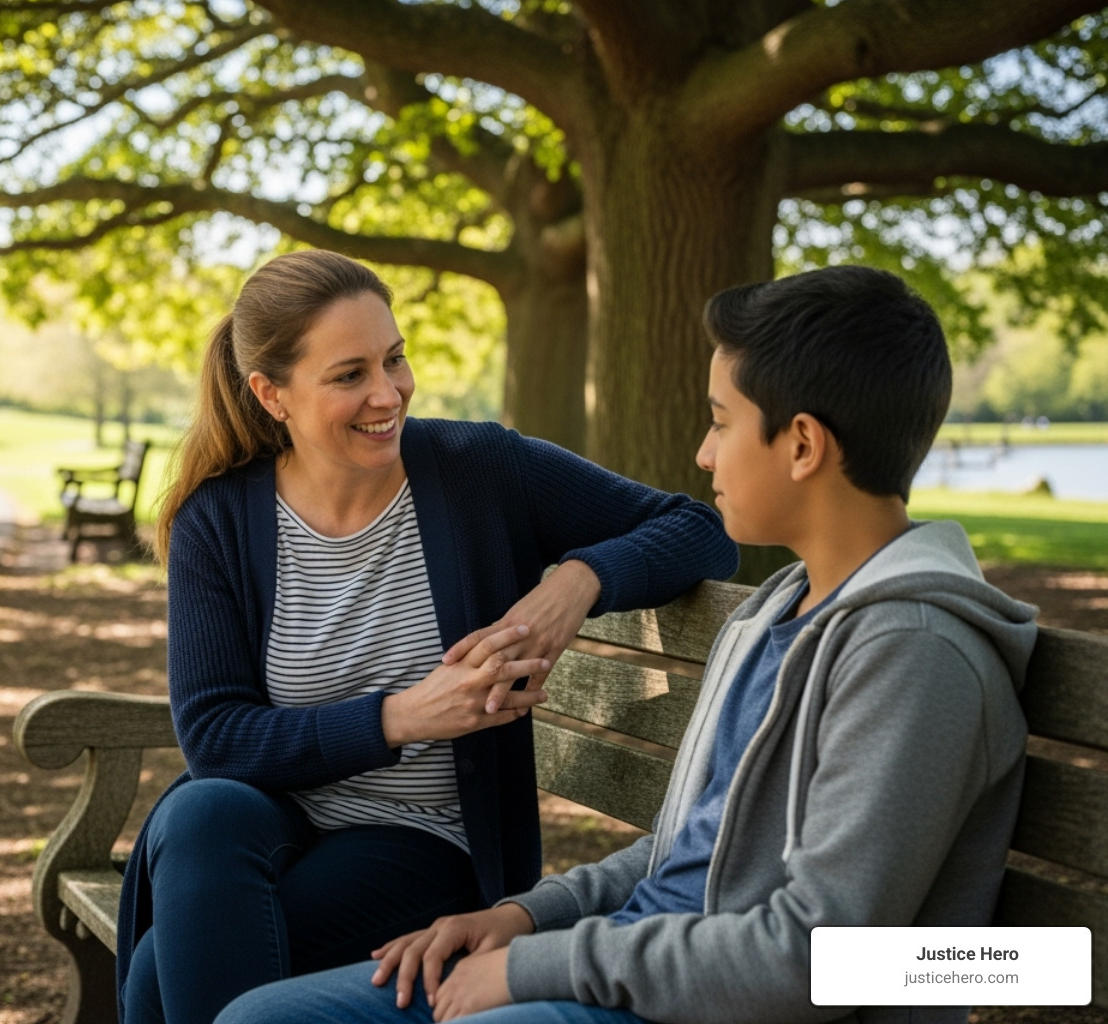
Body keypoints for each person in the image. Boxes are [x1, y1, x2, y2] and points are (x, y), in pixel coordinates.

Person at [214, 265, 1038, 1024]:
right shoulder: (779, 615)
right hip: (638, 964)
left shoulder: (914, 655)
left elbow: (819, 960)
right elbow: (693, 850)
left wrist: (538, 965)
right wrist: (521, 917)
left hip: (692, 998)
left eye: (720, 424)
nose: (702, 453)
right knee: (254, 1013)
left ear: (801, 445)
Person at [122, 249, 739, 1024]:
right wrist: (402, 717)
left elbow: (699, 529)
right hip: (281, 824)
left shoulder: (477, 469)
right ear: (270, 394)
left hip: (430, 841)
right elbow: (215, 737)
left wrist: (575, 581)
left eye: (394, 359)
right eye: (349, 375)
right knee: (197, 813)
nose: (388, 394)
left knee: (156, 972)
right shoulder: (221, 517)